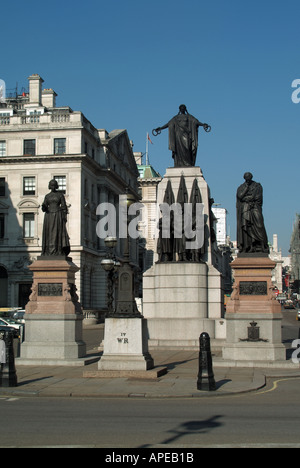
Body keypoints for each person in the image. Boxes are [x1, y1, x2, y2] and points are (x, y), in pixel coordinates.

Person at [236, 172, 269, 254]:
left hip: (254, 207)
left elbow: (258, 197)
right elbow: (239, 196)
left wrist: (248, 198)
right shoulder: (241, 187)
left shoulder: (257, 186)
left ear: (251, 177)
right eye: (246, 178)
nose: (248, 180)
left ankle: (262, 245)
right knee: (246, 227)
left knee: (259, 225)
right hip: (245, 209)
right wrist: (246, 188)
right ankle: (249, 246)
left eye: (249, 178)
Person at [41, 179, 70, 257]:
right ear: (49, 186)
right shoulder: (47, 196)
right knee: (49, 233)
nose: (53, 186)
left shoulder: (60, 195)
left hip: (58, 215)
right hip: (49, 216)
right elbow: (44, 207)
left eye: (54, 185)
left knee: (57, 232)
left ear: (56, 186)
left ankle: (58, 250)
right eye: (51, 185)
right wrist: (43, 207)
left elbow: (64, 206)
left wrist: (64, 217)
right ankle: (48, 250)